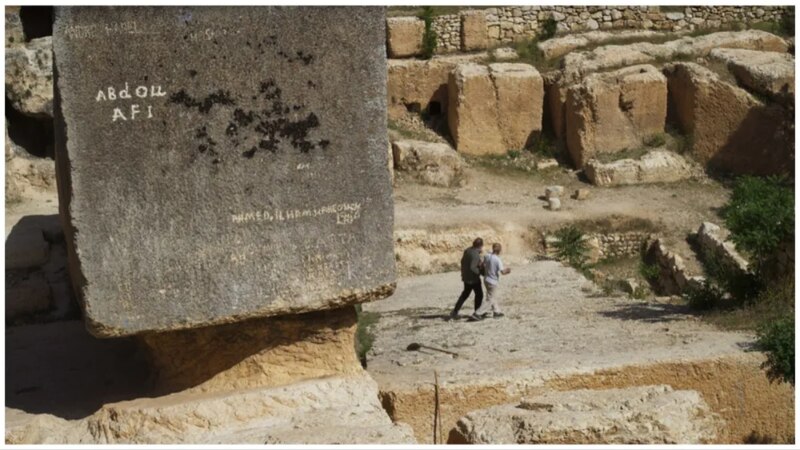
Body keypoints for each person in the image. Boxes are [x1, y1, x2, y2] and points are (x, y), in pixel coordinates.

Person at [449, 238, 484, 321]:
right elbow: (473, 267)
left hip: (466, 277)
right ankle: (477, 313)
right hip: (473, 279)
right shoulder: (475, 254)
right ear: (481, 246)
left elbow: (463, 262)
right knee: (479, 295)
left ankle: (455, 311)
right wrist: (479, 272)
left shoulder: (467, 250)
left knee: (465, 294)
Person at [473, 243, 511, 319]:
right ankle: (477, 313)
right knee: (490, 299)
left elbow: (482, 265)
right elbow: (502, 272)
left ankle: (497, 312)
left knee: (492, 296)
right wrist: (508, 270)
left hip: (486, 279)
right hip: (492, 281)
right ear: (499, 250)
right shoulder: (497, 260)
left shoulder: (487, 256)